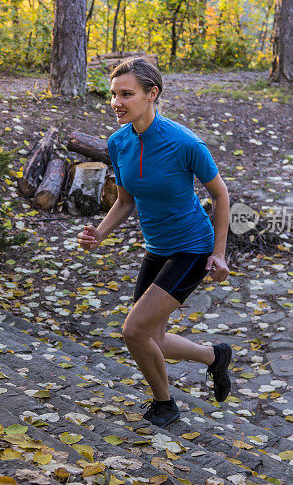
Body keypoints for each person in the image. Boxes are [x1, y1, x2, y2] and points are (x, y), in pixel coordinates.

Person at [77, 57, 232, 428]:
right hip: (157, 249)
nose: (116, 102)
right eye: (113, 94)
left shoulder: (184, 143)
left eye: (126, 94)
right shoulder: (118, 143)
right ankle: (215, 356)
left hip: (192, 248)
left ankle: (165, 404)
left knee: (134, 331)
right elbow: (125, 200)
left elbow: (222, 196)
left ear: (152, 94)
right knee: (153, 339)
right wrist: (100, 233)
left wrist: (219, 253)